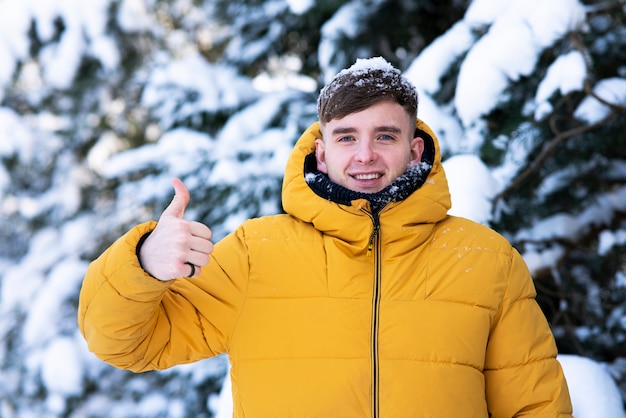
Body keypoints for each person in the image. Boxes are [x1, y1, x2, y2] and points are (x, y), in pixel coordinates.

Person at [78, 57, 573, 417]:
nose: (365, 155)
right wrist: (142, 263)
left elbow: (535, 406)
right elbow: (124, 344)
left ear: (413, 147)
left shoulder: (484, 259)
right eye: (346, 137)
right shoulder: (256, 254)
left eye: (385, 135)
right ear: (320, 153)